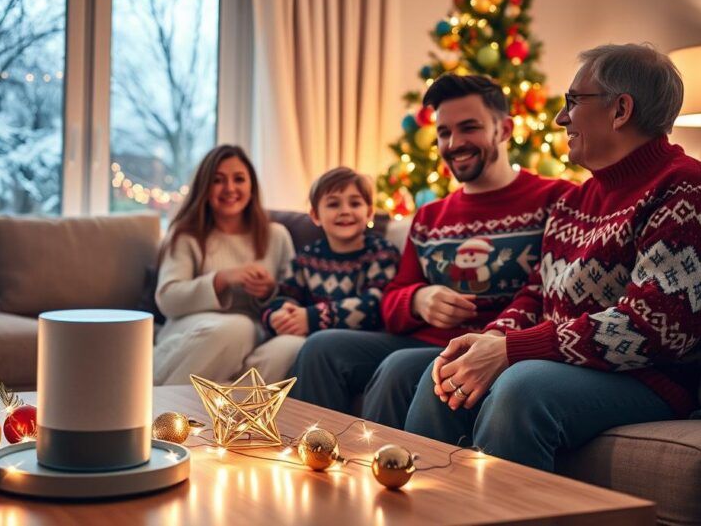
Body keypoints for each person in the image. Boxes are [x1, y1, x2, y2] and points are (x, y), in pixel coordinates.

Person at [405, 44, 701, 472]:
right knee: (443, 375)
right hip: (568, 365)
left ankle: (502, 509)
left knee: (521, 389)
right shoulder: (575, 201)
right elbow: (536, 294)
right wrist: (491, 340)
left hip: (650, 379)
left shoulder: (688, 190)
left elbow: (657, 327)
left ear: (620, 109)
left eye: (572, 101)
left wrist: (513, 350)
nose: (560, 118)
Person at [290, 75, 576, 426]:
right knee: (321, 347)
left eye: (469, 128)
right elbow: (392, 301)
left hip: (495, 347)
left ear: (503, 129)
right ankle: (313, 451)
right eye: (443, 132)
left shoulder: (556, 199)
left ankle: (383, 460)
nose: (454, 143)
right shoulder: (429, 216)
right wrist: (418, 299)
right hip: (426, 340)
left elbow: (550, 292)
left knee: (399, 368)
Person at [153, 145, 296, 385]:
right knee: (239, 328)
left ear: (251, 186)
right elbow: (168, 299)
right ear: (204, 187)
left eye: (239, 179)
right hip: (193, 328)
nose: (230, 188)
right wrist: (222, 279)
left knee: (293, 345)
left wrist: (270, 291)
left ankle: (233, 406)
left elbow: (295, 296)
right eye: (218, 180)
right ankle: (167, 403)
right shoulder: (186, 235)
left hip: (256, 332)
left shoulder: (277, 235)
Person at [261, 167, 401, 343]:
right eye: (333, 204)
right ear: (315, 215)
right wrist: (278, 316)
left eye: (355, 204)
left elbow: (375, 305)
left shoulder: (382, 253)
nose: (345, 211)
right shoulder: (306, 257)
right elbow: (284, 295)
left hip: (360, 343)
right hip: (309, 340)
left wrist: (313, 318)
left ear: (369, 213)